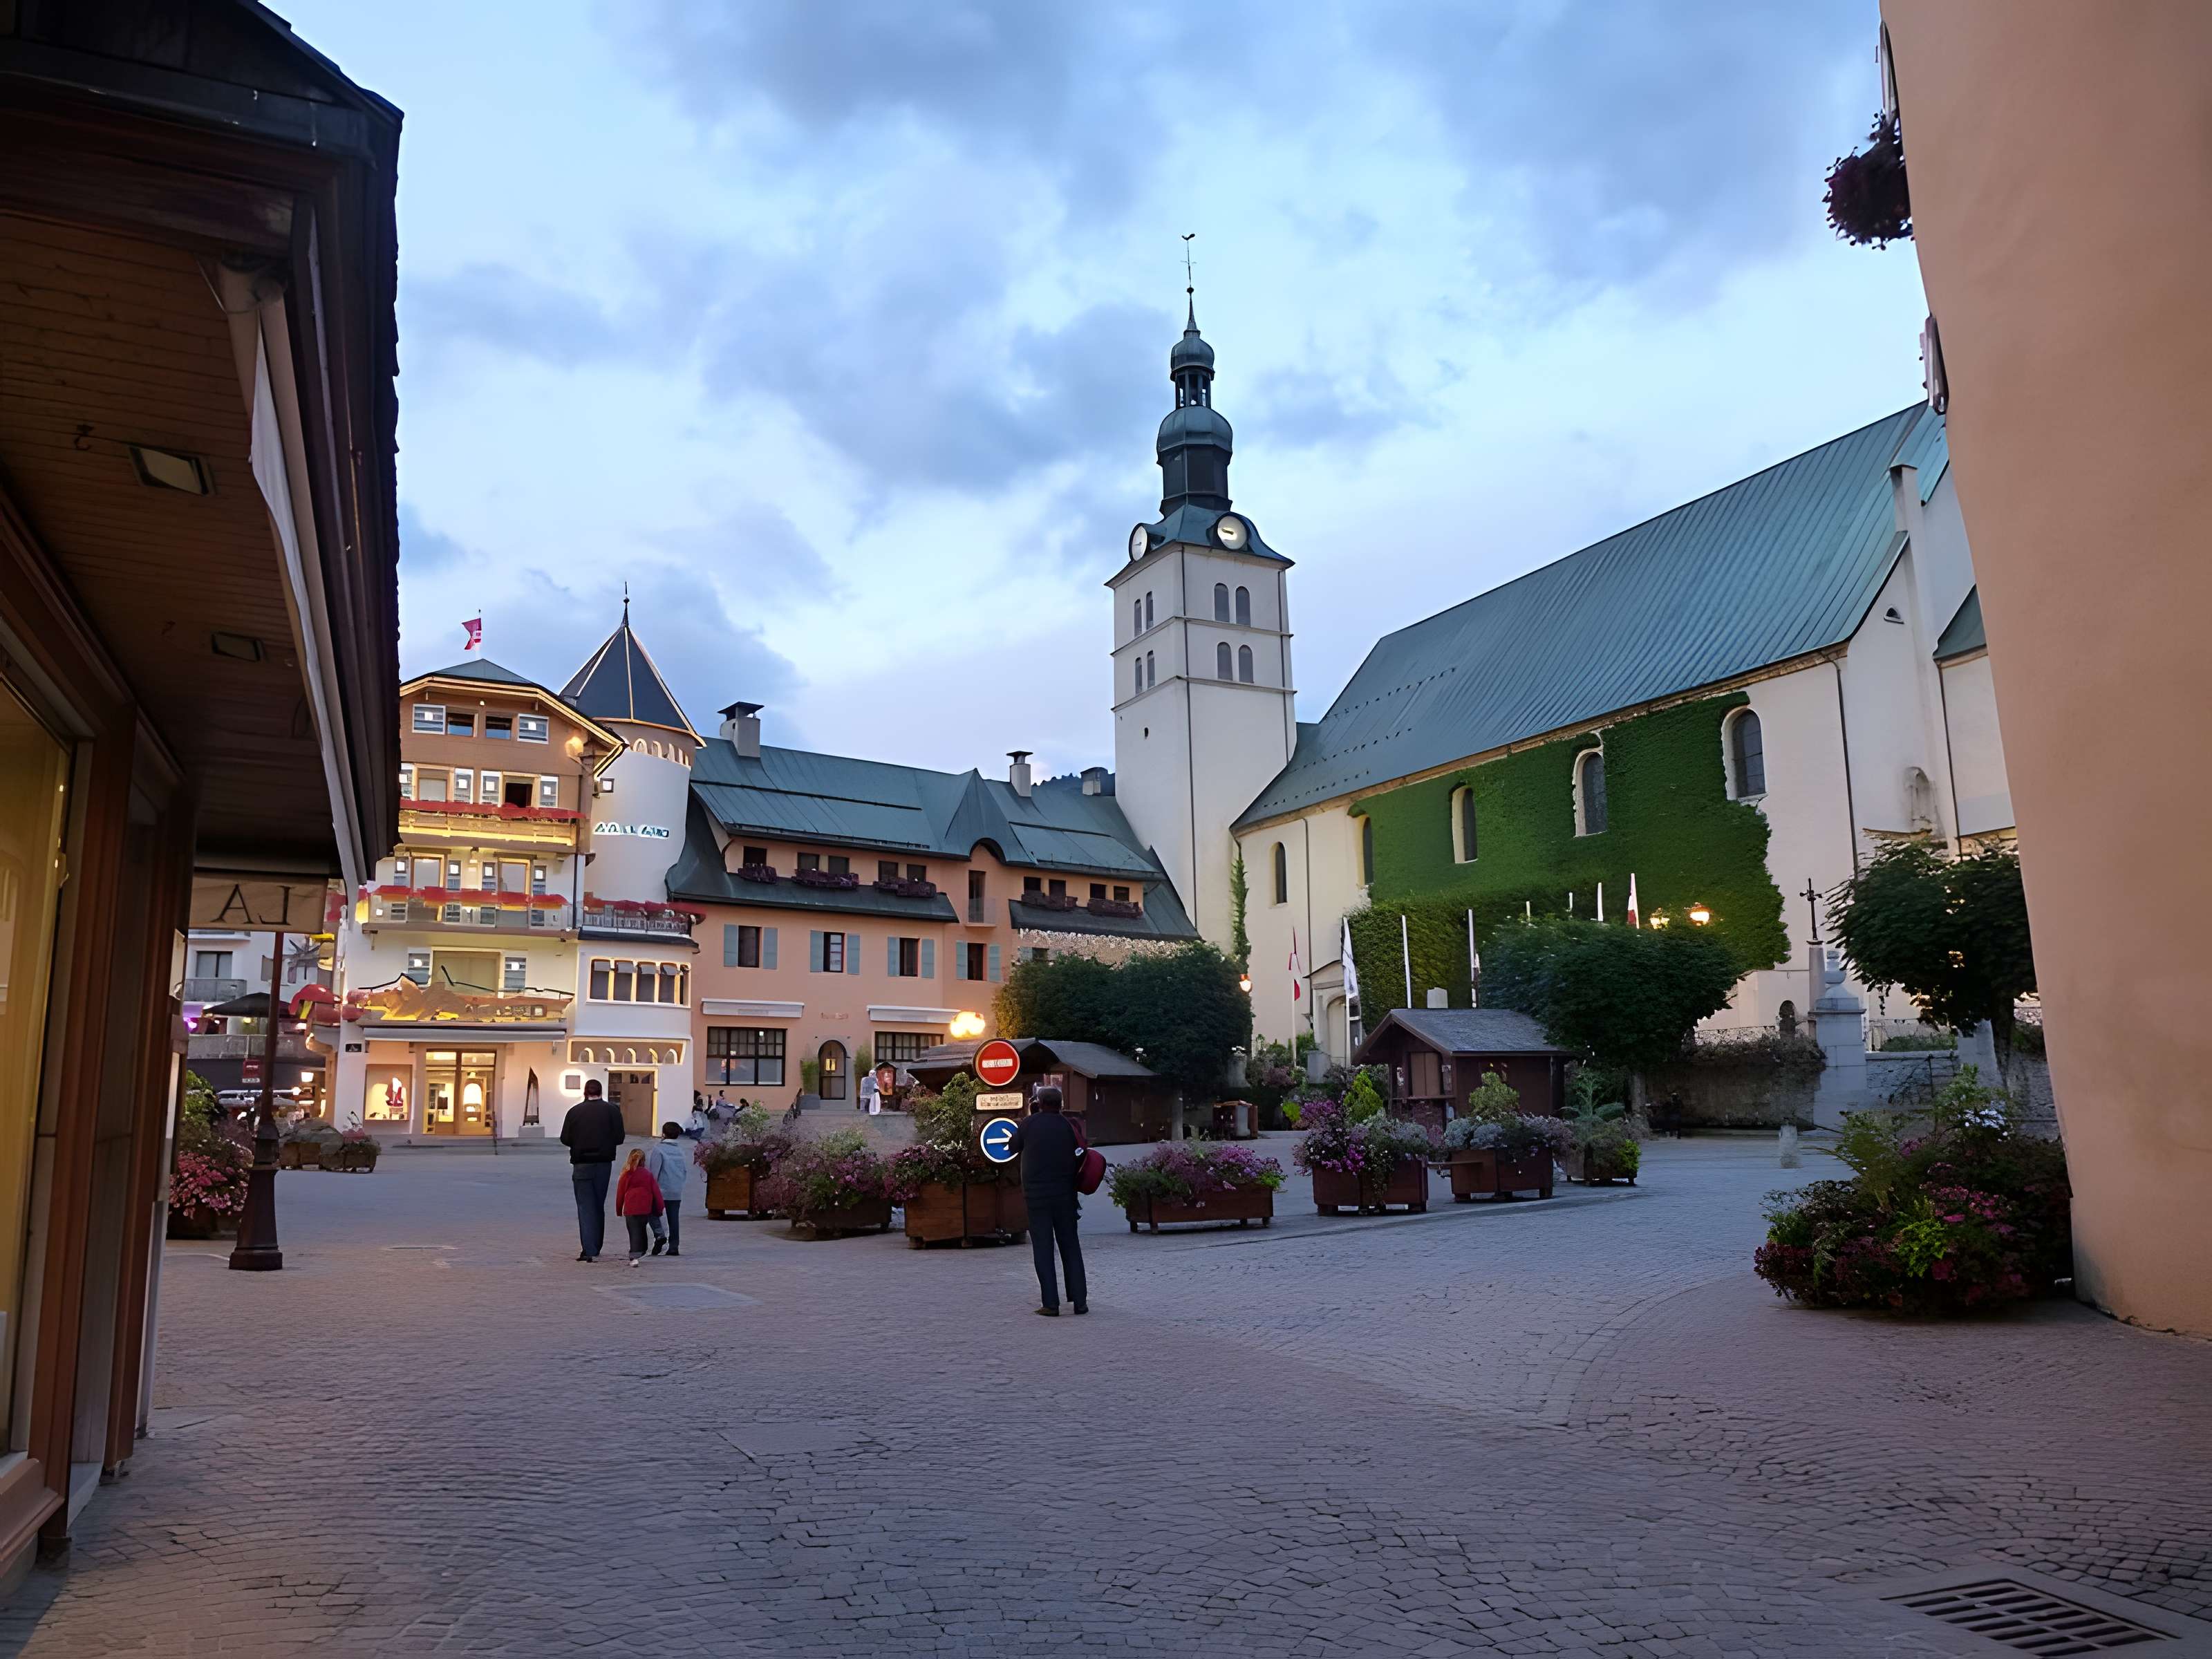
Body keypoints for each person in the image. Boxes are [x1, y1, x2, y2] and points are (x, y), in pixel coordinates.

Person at [1008, 1085, 1088, 1317]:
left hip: (1036, 1197)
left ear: (1039, 1103)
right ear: (1061, 1104)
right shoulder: (1069, 1125)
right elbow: (1083, 1151)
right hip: (1065, 1195)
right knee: (1070, 1245)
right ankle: (1080, 1302)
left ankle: (1051, 1304)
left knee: (1043, 1248)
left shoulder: (1029, 1124)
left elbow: (1012, 1147)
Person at [559, 1078, 625, 1262]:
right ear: (601, 1092)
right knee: (598, 1204)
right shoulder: (612, 1110)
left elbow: (565, 1138)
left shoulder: (574, 1112)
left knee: (585, 1206)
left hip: (581, 1164)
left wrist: (580, 1142)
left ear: (585, 1093)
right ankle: (596, 1244)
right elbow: (620, 1138)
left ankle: (589, 1248)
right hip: (604, 1163)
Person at [646, 1121, 691, 1257]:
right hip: (676, 1190)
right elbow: (684, 1171)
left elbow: (654, 1173)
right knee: (674, 1219)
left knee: (651, 1213)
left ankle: (659, 1235)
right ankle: (674, 1247)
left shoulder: (659, 1150)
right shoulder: (681, 1151)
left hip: (661, 1190)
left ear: (663, 1134)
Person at [614, 1148, 663, 1268]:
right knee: (641, 1228)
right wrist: (660, 1208)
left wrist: (619, 1209)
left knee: (633, 1231)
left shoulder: (626, 1174)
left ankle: (634, 1254)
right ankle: (642, 1249)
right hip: (644, 1208)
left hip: (630, 1208)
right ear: (644, 1161)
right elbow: (657, 1193)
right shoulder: (648, 1174)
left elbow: (620, 1193)